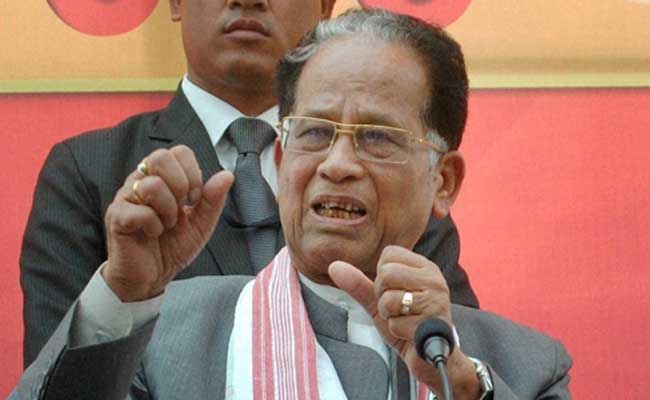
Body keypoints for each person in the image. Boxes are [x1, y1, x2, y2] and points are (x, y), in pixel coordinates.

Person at [12, 9, 571, 399]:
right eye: (315, 133)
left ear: (442, 182)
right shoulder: (156, 334)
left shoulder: (521, 367)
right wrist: (123, 294)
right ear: (280, 158)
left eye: (377, 137)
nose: (338, 164)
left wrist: (465, 390)